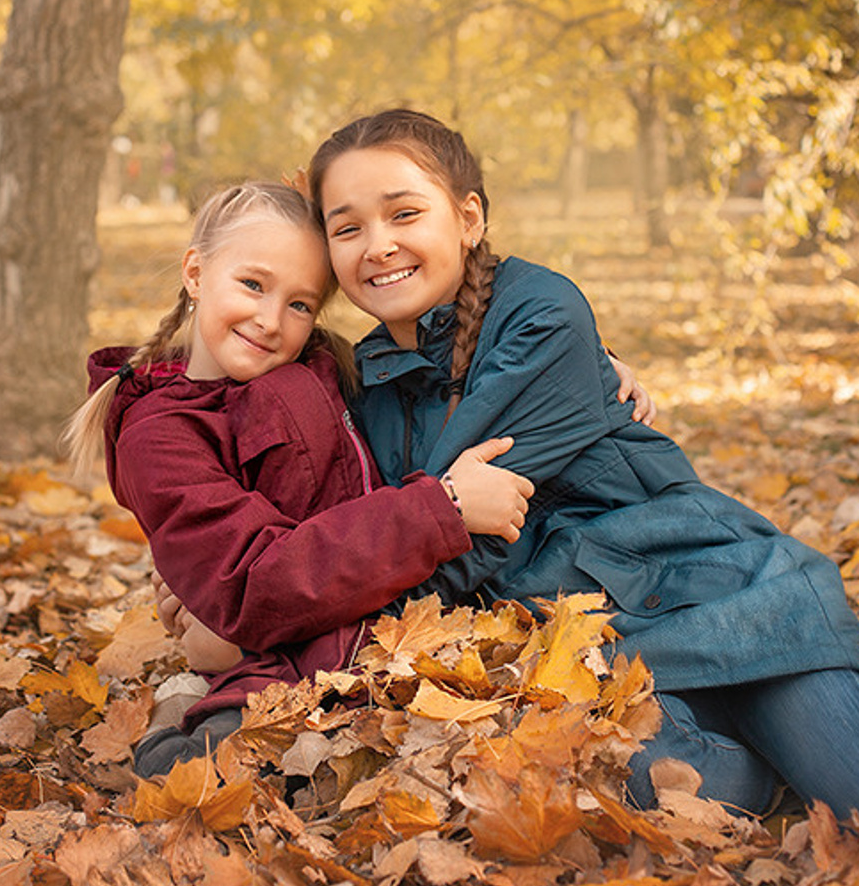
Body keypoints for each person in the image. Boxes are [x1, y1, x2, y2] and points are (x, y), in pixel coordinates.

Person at [293, 108, 859, 853]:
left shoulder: (543, 314)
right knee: (685, 787)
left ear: (468, 218)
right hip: (604, 655)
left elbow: (461, 541)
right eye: (347, 226)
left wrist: (354, 591)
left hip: (721, 603)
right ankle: (840, 740)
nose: (378, 245)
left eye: (403, 213)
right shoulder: (367, 382)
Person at [63, 181, 536, 776]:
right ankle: (187, 718)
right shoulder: (159, 437)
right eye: (253, 285)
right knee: (238, 763)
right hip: (288, 645)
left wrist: (583, 365)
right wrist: (442, 508)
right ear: (195, 272)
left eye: (300, 304)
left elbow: (445, 363)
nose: (269, 320)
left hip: (377, 613)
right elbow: (253, 580)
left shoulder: (317, 365)